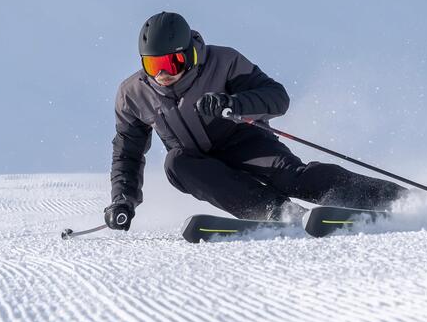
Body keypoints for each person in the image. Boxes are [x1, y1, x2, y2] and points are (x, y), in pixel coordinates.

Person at [104, 12, 406, 231]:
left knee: (293, 178)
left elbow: (277, 97)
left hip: (243, 140)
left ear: (190, 54)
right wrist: (122, 200)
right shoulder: (133, 95)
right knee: (176, 163)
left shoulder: (223, 62)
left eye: (172, 63)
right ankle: (278, 212)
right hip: (198, 162)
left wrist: (231, 103)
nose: (162, 73)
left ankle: (392, 199)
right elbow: (127, 154)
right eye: (152, 64)